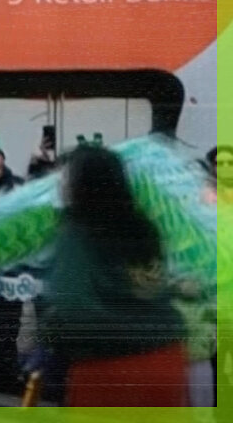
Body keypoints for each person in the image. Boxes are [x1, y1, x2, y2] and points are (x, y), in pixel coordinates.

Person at [39, 145, 188, 406]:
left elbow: (73, 306)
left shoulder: (78, 233)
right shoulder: (143, 226)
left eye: (64, 178)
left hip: (109, 365)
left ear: (81, 184)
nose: (59, 185)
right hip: (166, 358)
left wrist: (50, 331)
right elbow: (151, 287)